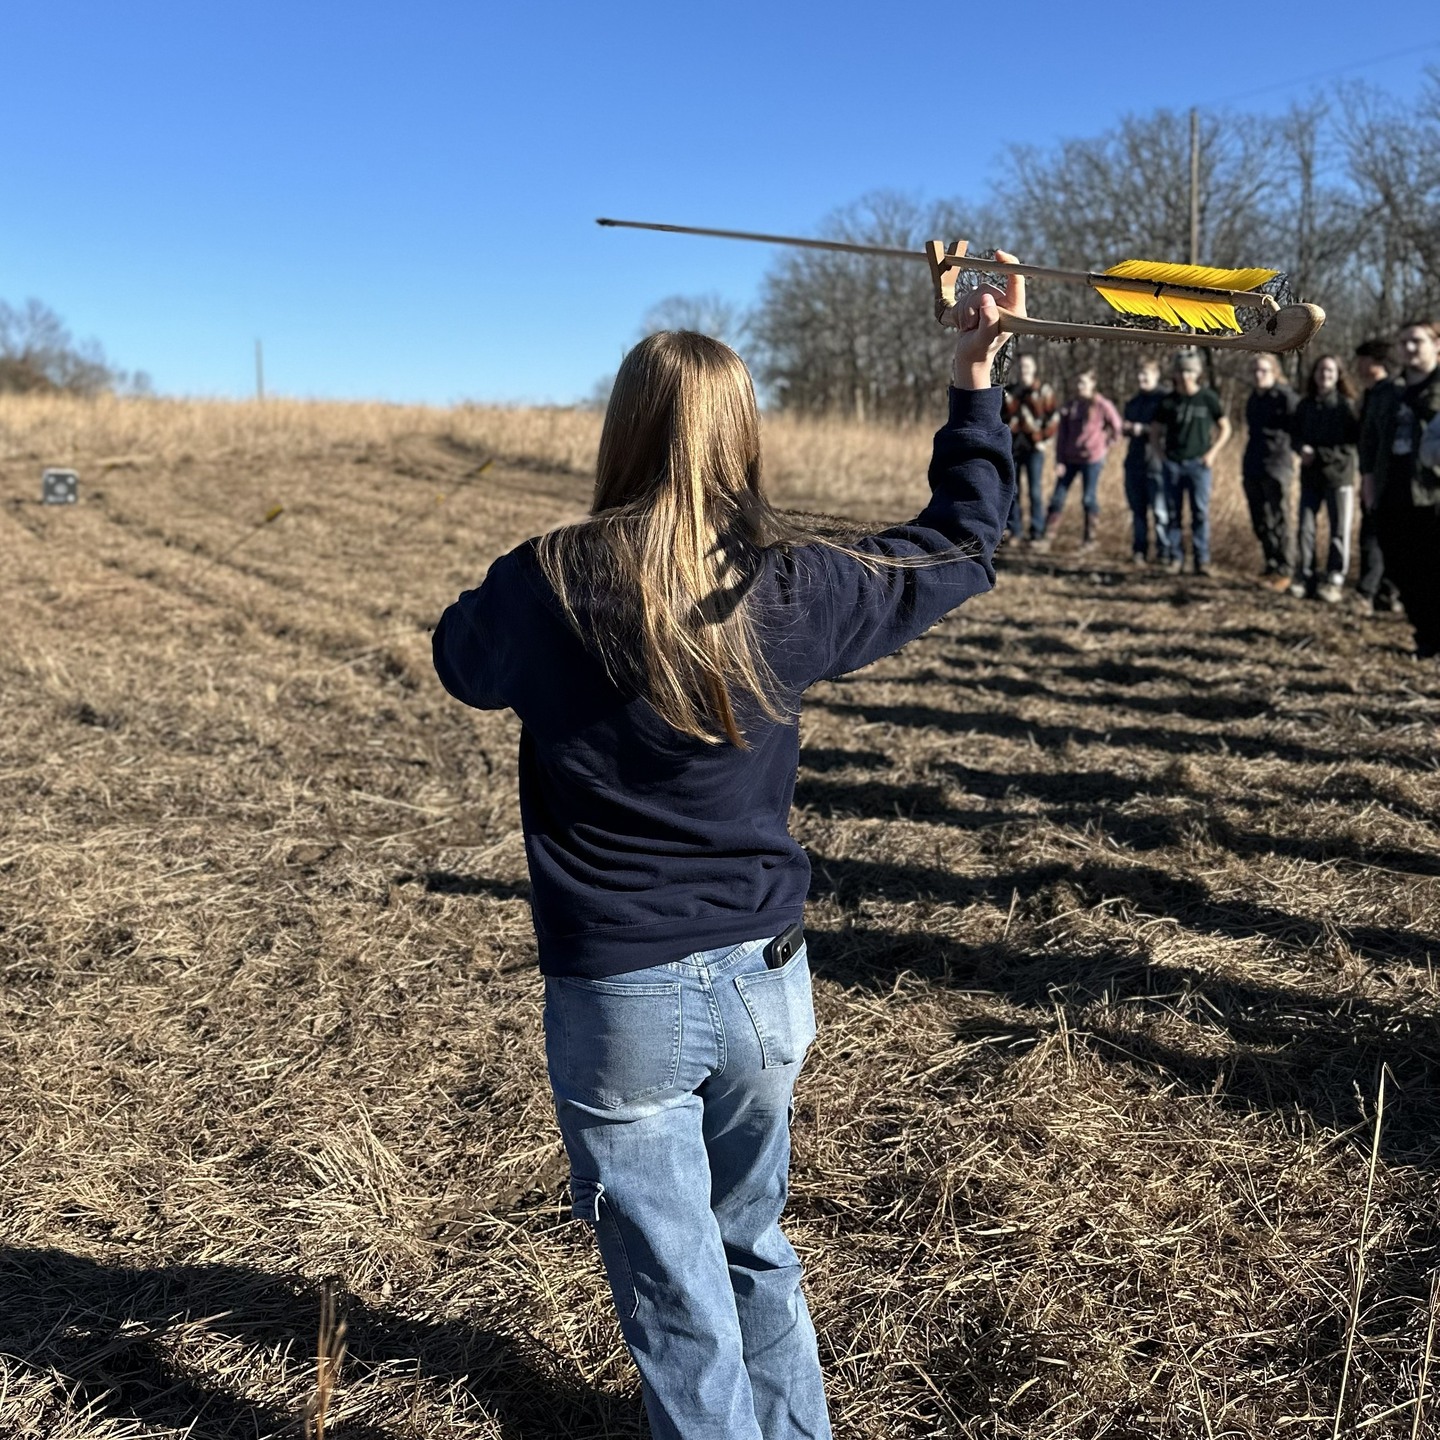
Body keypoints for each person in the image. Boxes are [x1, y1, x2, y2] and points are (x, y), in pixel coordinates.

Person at [431, 265, 1024, 1439]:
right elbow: (964, 542)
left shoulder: (541, 581)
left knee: (676, 1289)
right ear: (739, 438)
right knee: (752, 1244)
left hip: (623, 998)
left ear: (624, 428)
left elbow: (459, 659)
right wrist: (972, 382)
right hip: (765, 984)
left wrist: (501, 591)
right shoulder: (789, 583)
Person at [1360, 319, 1440, 660]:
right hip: (1392, 489)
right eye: (1404, 342)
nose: (1409, 348)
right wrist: (1367, 483)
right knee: (1400, 566)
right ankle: (1425, 635)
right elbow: (1370, 440)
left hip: (1432, 493)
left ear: (1437, 345)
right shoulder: (1386, 392)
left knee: (1434, 567)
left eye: (1417, 341)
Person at [1288, 355, 1360, 603]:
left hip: (1339, 478)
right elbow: (1294, 435)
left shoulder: (1346, 406)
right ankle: (1305, 575)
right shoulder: (1305, 404)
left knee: (1338, 530)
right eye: (1321, 369)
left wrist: (1317, 453)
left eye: (1330, 370)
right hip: (1310, 477)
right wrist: (1300, 448)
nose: (1325, 374)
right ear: (1314, 373)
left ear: (1338, 374)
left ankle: (1334, 579)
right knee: (1305, 528)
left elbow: (1350, 445)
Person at [1152, 352, 1231, 576]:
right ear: (1175, 375)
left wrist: (1212, 453)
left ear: (1197, 374)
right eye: (1181, 371)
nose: (1185, 376)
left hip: (1199, 465)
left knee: (1200, 513)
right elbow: (1155, 432)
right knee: (1173, 513)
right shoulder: (1168, 402)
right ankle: (1175, 557)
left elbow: (1225, 428)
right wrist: (1161, 456)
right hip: (1173, 464)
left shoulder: (1207, 398)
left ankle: (1201, 560)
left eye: (1189, 371)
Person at [1034, 369, 1121, 551]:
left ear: (1092, 384)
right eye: (1078, 382)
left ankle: (1090, 540)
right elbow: (1062, 437)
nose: (1080, 386)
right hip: (1069, 459)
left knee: (1088, 498)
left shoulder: (1101, 405)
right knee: (1058, 497)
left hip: (1092, 459)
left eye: (1084, 382)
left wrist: (1106, 444)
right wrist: (1059, 461)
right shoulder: (1071, 406)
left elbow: (1116, 426)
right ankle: (1047, 537)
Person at [1241, 353, 1299, 587]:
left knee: (1280, 518)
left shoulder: (1285, 398)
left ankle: (1286, 569)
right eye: (1255, 370)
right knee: (1260, 519)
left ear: (1274, 372)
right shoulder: (1253, 398)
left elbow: (1298, 427)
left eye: (1263, 370)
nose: (1258, 375)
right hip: (1253, 464)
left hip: (1278, 464)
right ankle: (1271, 564)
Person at [1352, 338, 1400, 614]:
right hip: (1371, 473)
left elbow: (1380, 441)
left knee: (1374, 536)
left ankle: (1368, 592)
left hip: (1384, 477)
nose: (1358, 366)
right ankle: (1385, 591)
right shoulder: (1371, 394)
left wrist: (1371, 477)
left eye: (1363, 360)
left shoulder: (1390, 393)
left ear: (1375, 362)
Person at [1003, 352, 1057, 541]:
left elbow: (1053, 419)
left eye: (1027, 366)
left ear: (1034, 369)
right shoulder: (1009, 393)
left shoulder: (1044, 391)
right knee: (1013, 491)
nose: (1024, 370)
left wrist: (1043, 440)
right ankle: (1014, 531)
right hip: (1012, 449)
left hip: (1035, 449)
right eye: (1021, 366)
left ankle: (1037, 531)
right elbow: (1001, 420)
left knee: (1035, 491)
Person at [1121, 359, 1168, 564]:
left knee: (1160, 512)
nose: (1142, 379)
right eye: (1139, 375)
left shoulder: (1165, 400)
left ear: (1156, 376)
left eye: (1146, 375)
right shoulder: (1132, 402)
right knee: (1138, 512)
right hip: (1134, 462)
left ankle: (1164, 553)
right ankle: (1139, 551)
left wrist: (1145, 429)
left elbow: (1169, 430)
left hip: (1157, 463)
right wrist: (1126, 428)